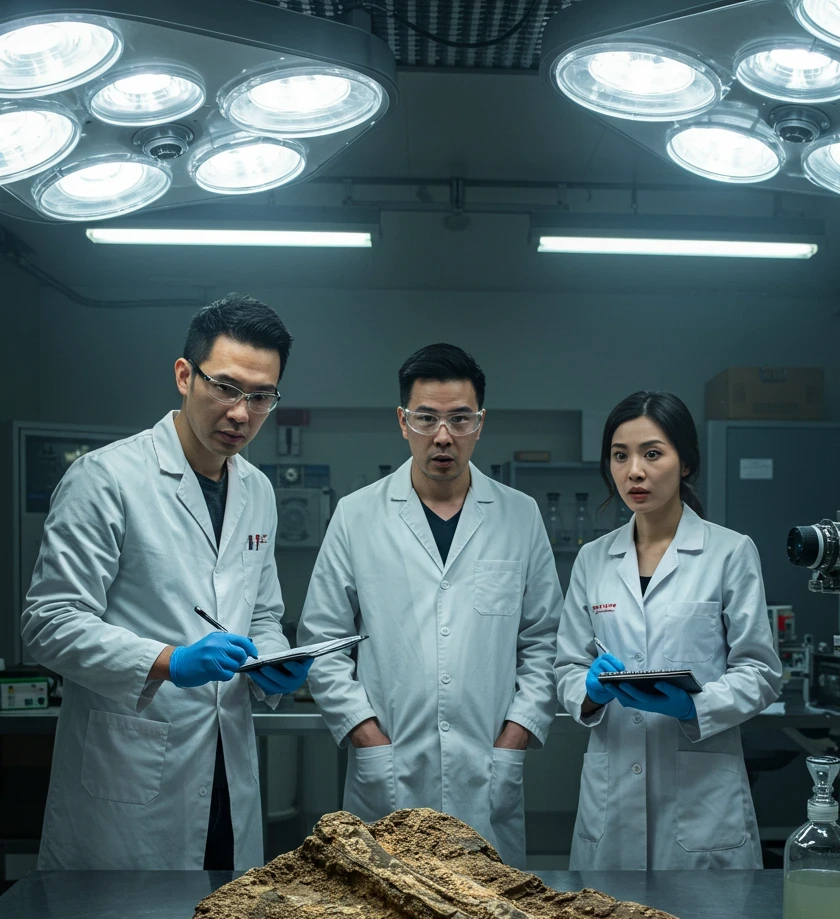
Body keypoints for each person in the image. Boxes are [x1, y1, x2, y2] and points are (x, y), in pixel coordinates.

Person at [22, 294, 311, 871]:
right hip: (133, 770)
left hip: (227, 763)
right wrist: (167, 661)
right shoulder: (106, 478)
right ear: (185, 376)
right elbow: (49, 624)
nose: (240, 413)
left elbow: (260, 613)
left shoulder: (256, 491)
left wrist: (275, 658)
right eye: (226, 387)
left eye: (261, 397)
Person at [298, 342, 562, 867]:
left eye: (460, 419)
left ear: (480, 424)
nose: (443, 436)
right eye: (427, 418)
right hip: (388, 769)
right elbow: (322, 642)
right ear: (402, 421)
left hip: (487, 767)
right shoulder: (356, 515)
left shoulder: (520, 515)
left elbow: (545, 640)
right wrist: (364, 731)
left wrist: (515, 736)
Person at [555, 390, 782, 871]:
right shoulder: (594, 560)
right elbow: (568, 667)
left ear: (685, 463)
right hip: (611, 799)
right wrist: (590, 690)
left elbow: (761, 672)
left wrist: (694, 704)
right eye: (620, 456)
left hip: (701, 801)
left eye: (652, 453)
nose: (634, 470)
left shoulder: (730, 553)